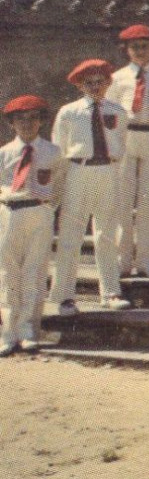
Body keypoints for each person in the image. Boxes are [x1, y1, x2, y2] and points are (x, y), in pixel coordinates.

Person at [48, 59, 130, 315]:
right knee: (71, 234)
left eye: (100, 82)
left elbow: (122, 144)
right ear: (80, 85)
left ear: (108, 83)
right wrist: (58, 185)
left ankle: (110, 292)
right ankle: (64, 296)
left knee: (107, 233)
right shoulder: (69, 112)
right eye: (89, 83)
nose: (95, 87)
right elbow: (58, 149)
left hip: (107, 169)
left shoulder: (118, 112)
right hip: (77, 171)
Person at [106, 25, 149, 279]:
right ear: (126, 50)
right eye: (135, 47)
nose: (140, 51)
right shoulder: (117, 78)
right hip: (126, 137)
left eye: (145, 46)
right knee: (122, 198)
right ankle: (121, 261)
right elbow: (110, 112)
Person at [0, 95, 59, 354]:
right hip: (9, 213)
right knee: (7, 274)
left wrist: (47, 209)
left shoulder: (52, 152)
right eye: (20, 119)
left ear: (42, 122)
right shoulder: (3, 153)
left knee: (34, 272)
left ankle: (27, 330)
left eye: (33, 118)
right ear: (11, 124)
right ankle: (7, 333)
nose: (27, 124)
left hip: (38, 212)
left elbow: (59, 185)